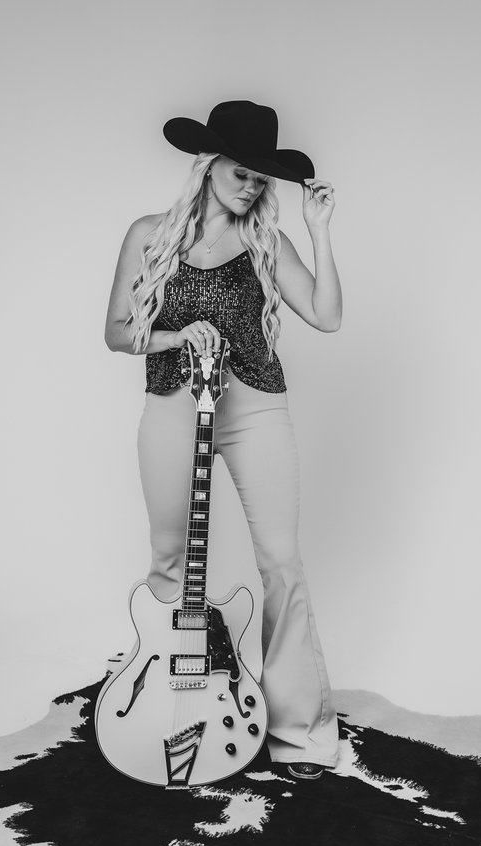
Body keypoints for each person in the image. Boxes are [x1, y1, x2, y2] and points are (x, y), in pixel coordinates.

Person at [104, 100, 343, 780]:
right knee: (168, 556)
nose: (251, 187)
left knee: (281, 563)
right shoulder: (149, 235)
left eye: (261, 179)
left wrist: (317, 231)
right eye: (242, 173)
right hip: (173, 402)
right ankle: (162, 708)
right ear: (209, 165)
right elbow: (117, 332)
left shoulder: (268, 242)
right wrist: (177, 335)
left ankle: (299, 731)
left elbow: (326, 316)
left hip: (254, 406)